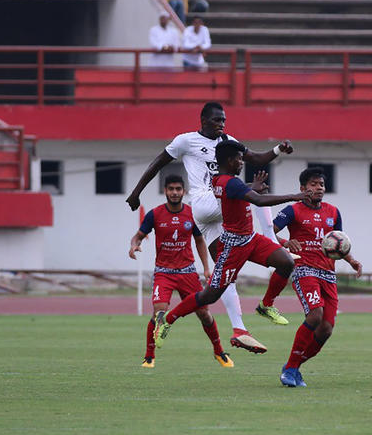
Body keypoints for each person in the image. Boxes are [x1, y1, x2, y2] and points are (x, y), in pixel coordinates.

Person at [125, 102, 295, 352]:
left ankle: (239, 329)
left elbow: (257, 157)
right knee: (254, 193)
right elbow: (157, 163)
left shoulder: (228, 142)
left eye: (224, 120)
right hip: (205, 203)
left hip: (216, 212)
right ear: (203, 120)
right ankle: (273, 238)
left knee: (222, 280)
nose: (222, 124)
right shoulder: (186, 141)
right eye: (217, 120)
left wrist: (278, 149)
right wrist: (136, 193)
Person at [152, 141, 309, 348]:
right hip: (232, 246)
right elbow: (259, 201)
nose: (242, 162)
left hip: (250, 239)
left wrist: (252, 188)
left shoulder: (221, 180)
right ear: (229, 160)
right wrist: (295, 196)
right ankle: (167, 320)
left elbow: (240, 193)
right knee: (211, 294)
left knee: (286, 262)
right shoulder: (230, 182)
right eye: (239, 159)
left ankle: (266, 305)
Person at [255, 167, 363, 387]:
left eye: (321, 185)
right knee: (315, 316)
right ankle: (291, 369)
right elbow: (268, 232)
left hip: (328, 274)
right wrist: (286, 243)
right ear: (303, 188)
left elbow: (338, 242)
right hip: (305, 270)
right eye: (313, 184)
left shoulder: (333, 212)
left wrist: (351, 260)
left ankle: (293, 366)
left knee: (326, 329)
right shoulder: (292, 210)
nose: (318, 188)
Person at [129, 175, 229, 368]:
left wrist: (207, 268)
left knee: (204, 314)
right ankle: (149, 356)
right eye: (171, 189)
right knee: (158, 313)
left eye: (178, 189)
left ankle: (219, 352)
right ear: (165, 191)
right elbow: (138, 236)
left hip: (188, 273)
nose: (174, 193)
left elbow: (200, 241)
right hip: (163, 273)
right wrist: (134, 245)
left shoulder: (192, 214)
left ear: (184, 191)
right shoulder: (155, 214)